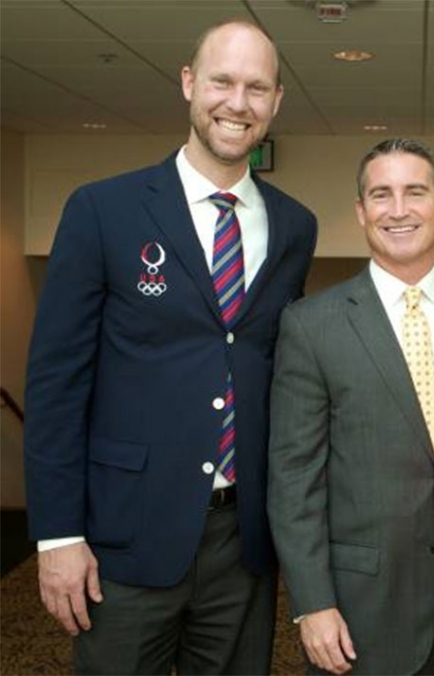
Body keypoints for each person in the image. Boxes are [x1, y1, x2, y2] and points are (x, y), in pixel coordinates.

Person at [23, 19, 317, 674]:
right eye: (222, 81)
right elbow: (55, 385)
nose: (237, 103)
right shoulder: (104, 210)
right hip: (124, 535)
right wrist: (59, 534)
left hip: (242, 545)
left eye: (256, 87)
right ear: (188, 84)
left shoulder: (296, 226)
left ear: (275, 102)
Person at [267, 138, 434, 675]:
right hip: (362, 612)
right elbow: (293, 478)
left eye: (415, 192)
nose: (398, 210)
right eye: (381, 195)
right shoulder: (311, 325)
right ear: (361, 212)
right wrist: (312, 603)